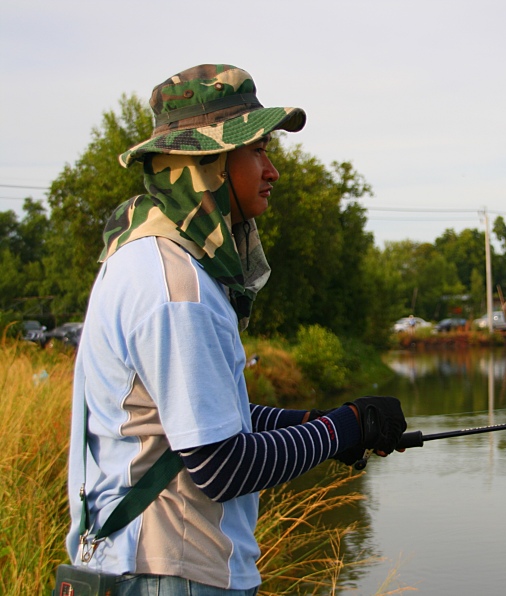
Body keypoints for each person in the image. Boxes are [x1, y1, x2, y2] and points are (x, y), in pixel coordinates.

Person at [65, 64, 407, 594]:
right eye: (258, 151)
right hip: (173, 573)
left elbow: (201, 417)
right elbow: (220, 466)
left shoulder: (146, 260)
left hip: (149, 567)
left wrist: (310, 422)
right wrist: (346, 427)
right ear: (210, 163)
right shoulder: (176, 288)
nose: (272, 171)